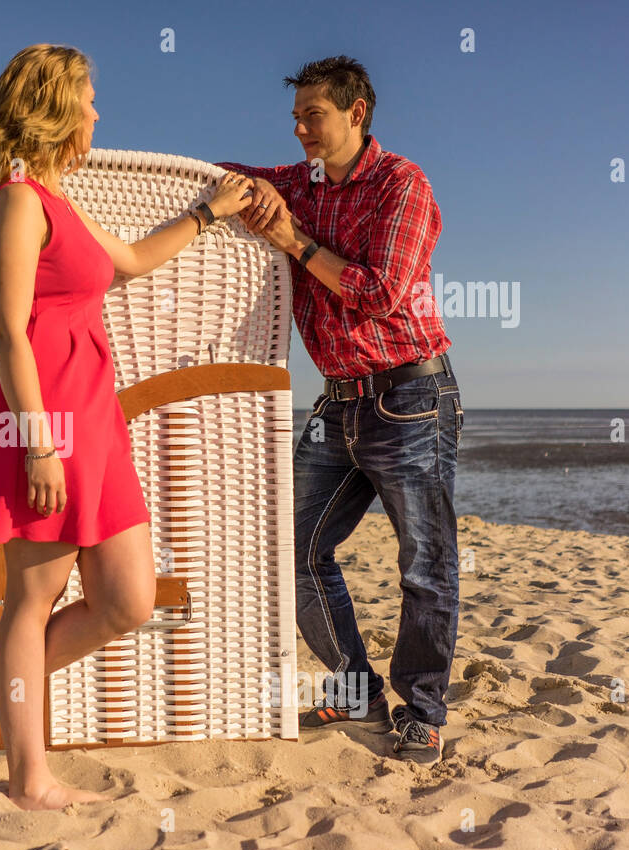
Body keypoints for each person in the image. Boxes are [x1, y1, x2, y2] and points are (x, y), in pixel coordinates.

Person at [0, 44, 255, 809]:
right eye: (89, 100)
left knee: (126, 600)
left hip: (94, 422)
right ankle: (30, 780)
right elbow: (8, 328)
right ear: (54, 108)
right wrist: (38, 443)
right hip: (42, 422)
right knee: (33, 599)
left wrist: (208, 213)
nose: (98, 113)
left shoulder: (61, 200)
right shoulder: (19, 200)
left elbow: (128, 261)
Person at [217, 56, 459, 764]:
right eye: (294, 117)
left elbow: (378, 291)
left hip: (411, 395)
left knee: (426, 564)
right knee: (287, 548)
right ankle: (356, 691)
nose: (299, 130)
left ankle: (422, 712)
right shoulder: (300, 182)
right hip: (336, 401)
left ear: (357, 113)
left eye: (312, 115)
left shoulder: (402, 185)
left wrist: (292, 238)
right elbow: (218, 175)